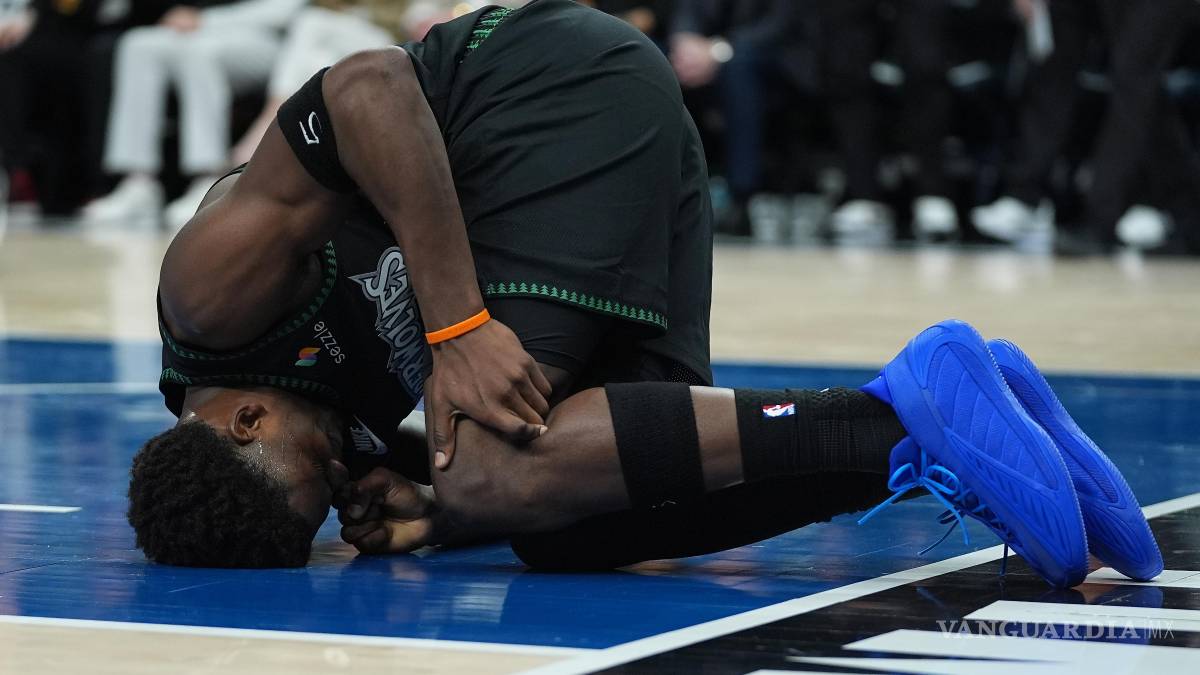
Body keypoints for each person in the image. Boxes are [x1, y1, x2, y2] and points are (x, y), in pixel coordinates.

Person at [127, 2, 1160, 589]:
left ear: (246, 418)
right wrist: (441, 514)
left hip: (535, 90)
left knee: (488, 469)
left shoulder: (211, 298)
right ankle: (928, 435)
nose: (345, 471)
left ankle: (903, 408)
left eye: (315, 470)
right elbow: (510, 469)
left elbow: (367, 86)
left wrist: (459, 326)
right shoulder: (292, 421)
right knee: (582, 523)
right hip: (600, 152)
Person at [83, 0, 306, 230]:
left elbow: (287, 9)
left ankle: (207, 179)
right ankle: (138, 182)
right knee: (139, 43)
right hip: (207, 31)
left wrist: (205, 20)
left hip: (273, 40)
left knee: (198, 52)